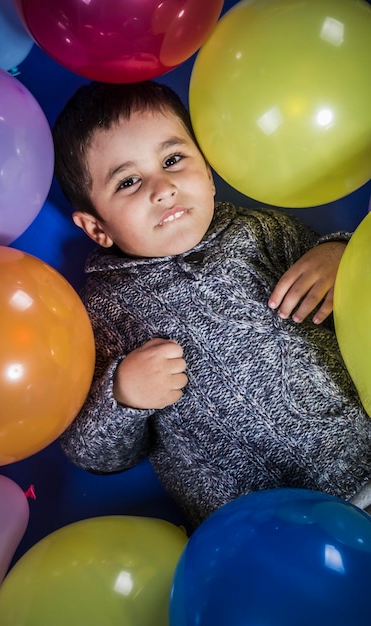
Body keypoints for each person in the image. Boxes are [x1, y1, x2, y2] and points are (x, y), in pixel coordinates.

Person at [53, 80, 371, 529]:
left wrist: (338, 255)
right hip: (262, 531)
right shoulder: (102, 311)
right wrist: (122, 395)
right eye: (128, 181)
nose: (162, 188)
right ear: (97, 228)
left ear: (207, 171)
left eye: (173, 160)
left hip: (360, 457)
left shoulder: (258, 231)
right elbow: (92, 453)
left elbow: (354, 291)